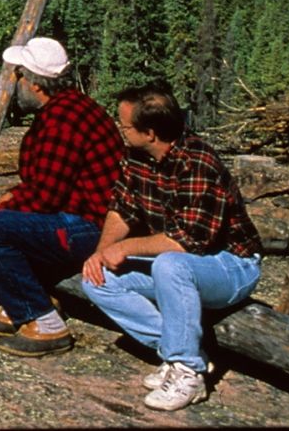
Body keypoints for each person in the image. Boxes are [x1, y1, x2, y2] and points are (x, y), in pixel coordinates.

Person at [82, 82, 262, 411]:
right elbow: (122, 207)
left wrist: (126, 248)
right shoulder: (137, 155)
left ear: (150, 132)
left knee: (169, 263)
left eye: (124, 125)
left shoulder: (198, 162)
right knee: (98, 278)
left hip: (231, 265)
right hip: (183, 261)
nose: (119, 131)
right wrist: (102, 253)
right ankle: (178, 350)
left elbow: (187, 241)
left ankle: (189, 373)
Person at [0, 36, 123, 357]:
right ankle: (17, 303)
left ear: (36, 84)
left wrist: (10, 201)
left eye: (20, 75)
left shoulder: (62, 120)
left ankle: (42, 319)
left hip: (92, 228)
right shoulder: (71, 106)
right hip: (89, 219)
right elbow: (48, 187)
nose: (17, 82)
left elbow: (46, 195)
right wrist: (11, 199)